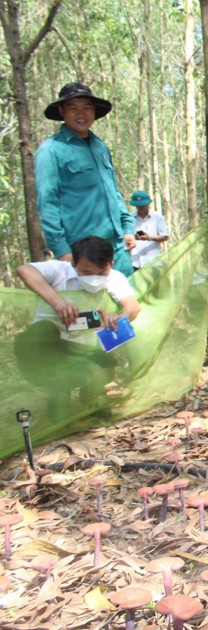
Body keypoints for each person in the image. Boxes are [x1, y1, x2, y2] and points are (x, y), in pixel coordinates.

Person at [15, 236, 140, 417]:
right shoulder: (58, 270)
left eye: (101, 272)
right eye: (86, 272)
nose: (94, 279)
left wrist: (119, 319)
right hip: (48, 354)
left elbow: (133, 306)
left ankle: (91, 393)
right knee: (60, 414)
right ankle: (58, 393)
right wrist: (58, 303)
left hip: (84, 354)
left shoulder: (114, 278)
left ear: (111, 264)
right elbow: (24, 270)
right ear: (73, 263)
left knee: (100, 407)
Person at [35, 83, 135, 276]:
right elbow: (47, 204)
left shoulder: (100, 147)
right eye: (73, 108)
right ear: (62, 111)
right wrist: (62, 250)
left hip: (117, 247)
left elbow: (113, 192)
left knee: (129, 302)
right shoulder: (50, 151)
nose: (81, 114)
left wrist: (127, 227)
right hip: (83, 253)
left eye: (86, 108)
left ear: (94, 111)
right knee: (91, 306)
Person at [129, 190, 169, 270]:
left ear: (148, 204)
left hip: (153, 261)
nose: (141, 207)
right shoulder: (130, 218)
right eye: (138, 205)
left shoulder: (157, 217)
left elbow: (165, 237)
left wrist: (149, 237)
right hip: (135, 262)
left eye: (143, 205)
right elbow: (125, 237)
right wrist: (134, 237)